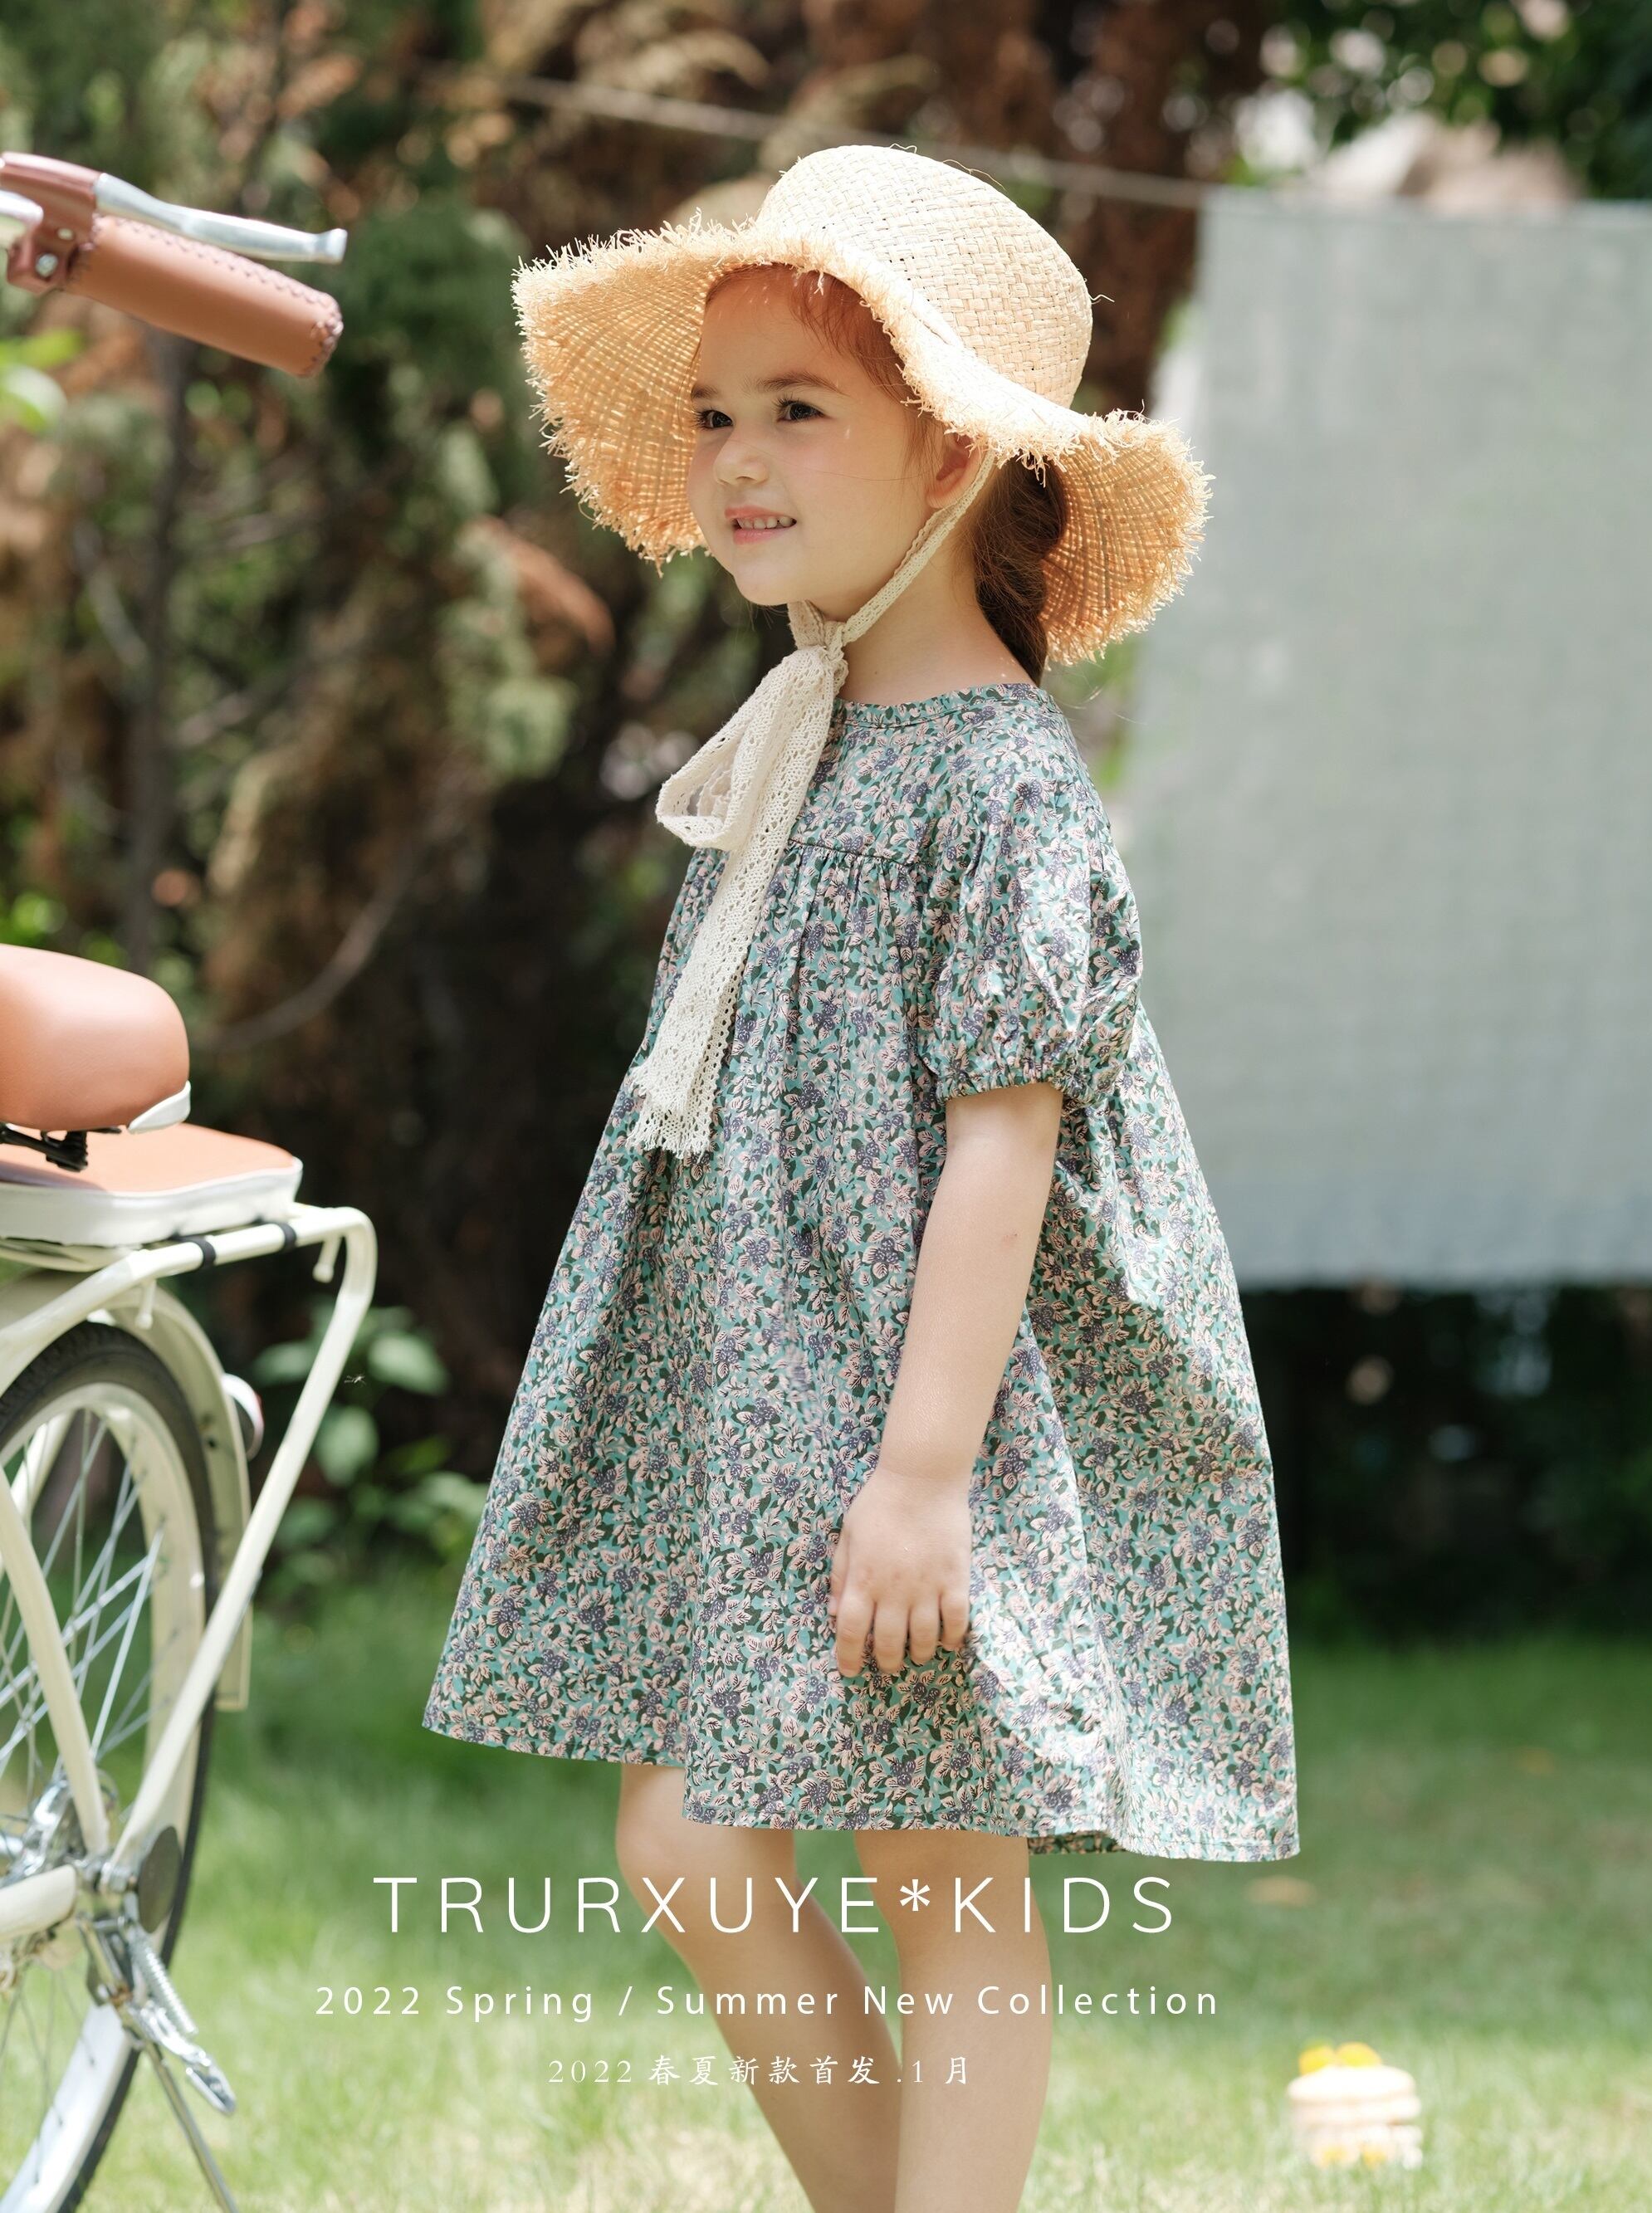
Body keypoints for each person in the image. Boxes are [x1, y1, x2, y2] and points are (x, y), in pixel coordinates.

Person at [423, 143, 1299, 2213]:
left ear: (958, 461)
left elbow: (1005, 1137)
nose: (736, 458)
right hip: (779, 1372)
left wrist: (922, 1477)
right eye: (715, 414)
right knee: (687, 1837)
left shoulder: (1002, 788)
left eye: (797, 409)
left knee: (936, 1857)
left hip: (937, 1399)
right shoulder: (800, 749)